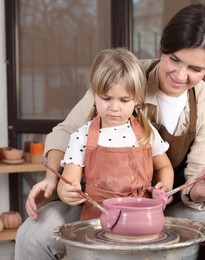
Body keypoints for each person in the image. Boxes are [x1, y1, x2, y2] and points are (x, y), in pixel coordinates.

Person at [16, 4, 205, 259]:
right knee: (32, 236)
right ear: (162, 48)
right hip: (96, 204)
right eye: (174, 59)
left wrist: (201, 189)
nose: (179, 75)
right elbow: (66, 131)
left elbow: (195, 181)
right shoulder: (122, 74)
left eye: (195, 69)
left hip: (162, 205)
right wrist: (54, 180)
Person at [57, 48, 173, 220]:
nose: (114, 107)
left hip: (142, 218)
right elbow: (68, 180)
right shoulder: (82, 137)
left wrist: (165, 187)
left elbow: (164, 166)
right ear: (94, 94)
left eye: (124, 100)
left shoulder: (145, 132)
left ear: (137, 100)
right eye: (106, 98)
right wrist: (66, 192)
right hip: (98, 221)